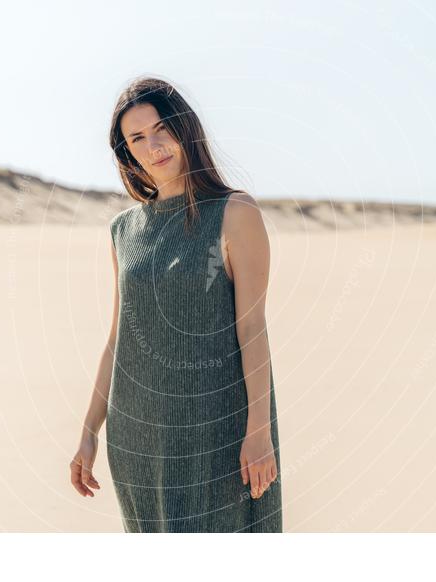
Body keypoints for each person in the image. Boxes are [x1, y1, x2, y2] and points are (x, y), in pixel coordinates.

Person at [70, 76, 283, 532]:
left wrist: (259, 432)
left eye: (162, 127)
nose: (154, 145)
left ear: (185, 128)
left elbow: (252, 329)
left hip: (217, 433)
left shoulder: (234, 213)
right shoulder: (122, 232)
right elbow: (117, 341)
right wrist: (90, 431)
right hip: (137, 439)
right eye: (137, 139)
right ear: (127, 153)